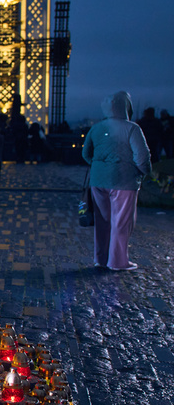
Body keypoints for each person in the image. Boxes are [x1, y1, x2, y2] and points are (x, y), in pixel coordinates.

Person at [82, 91, 151, 271]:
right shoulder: (132, 129)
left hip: (98, 180)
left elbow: (86, 154)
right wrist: (143, 172)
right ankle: (117, 262)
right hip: (124, 180)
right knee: (121, 222)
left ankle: (101, 259)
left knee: (102, 221)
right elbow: (142, 157)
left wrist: (99, 166)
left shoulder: (96, 128)